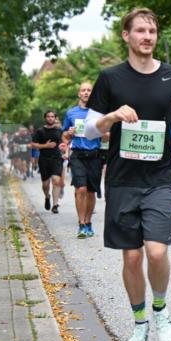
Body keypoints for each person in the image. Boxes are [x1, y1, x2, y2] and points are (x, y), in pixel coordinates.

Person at [81, 8, 171, 341]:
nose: (148, 37)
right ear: (126, 36)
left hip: (160, 177)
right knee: (131, 259)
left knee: (157, 251)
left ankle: (160, 311)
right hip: (122, 179)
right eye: (141, 31)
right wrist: (113, 116)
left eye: (153, 31)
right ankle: (140, 324)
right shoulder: (110, 79)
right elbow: (89, 129)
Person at [62, 81, 105, 238]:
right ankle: (81, 224)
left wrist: (102, 131)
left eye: (89, 90)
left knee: (91, 192)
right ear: (79, 94)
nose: (86, 93)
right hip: (78, 155)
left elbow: (106, 138)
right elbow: (64, 135)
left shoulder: (99, 114)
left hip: (94, 155)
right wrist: (69, 133)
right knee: (81, 189)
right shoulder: (71, 113)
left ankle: (88, 222)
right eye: (83, 90)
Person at [30, 111, 64, 212]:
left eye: (52, 116)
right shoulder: (40, 131)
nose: (50, 118)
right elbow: (33, 144)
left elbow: (64, 142)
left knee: (56, 180)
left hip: (56, 158)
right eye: (48, 116)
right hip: (44, 159)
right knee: (45, 184)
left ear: (55, 118)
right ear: (45, 118)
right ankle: (47, 197)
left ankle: (55, 205)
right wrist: (45, 146)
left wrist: (64, 150)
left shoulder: (59, 130)